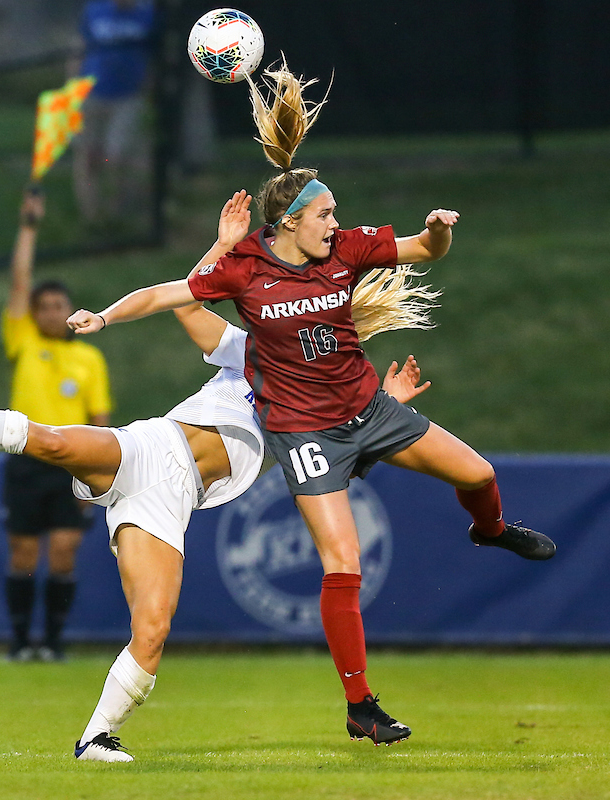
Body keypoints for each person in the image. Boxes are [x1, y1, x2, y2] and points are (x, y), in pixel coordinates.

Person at [66, 64, 556, 747]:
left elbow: (425, 250)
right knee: (342, 563)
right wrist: (104, 318)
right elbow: (165, 294)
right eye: (326, 213)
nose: (336, 221)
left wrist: (438, 229)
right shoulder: (244, 268)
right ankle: (362, 707)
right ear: (291, 223)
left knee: (477, 476)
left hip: (370, 410)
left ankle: (490, 530)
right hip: (304, 434)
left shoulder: (345, 249)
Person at [0, 192, 433, 762]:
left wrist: (387, 407)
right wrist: (225, 244)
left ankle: (93, 739)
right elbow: (186, 302)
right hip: (153, 448)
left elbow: (345, 459)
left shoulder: (331, 404)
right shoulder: (248, 350)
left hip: (172, 503)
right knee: (55, 441)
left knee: (152, 631)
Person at [1, 189, 112, 662]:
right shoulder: (23, 341)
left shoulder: (89, 357)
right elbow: (19, 282)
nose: (49, 312)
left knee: (64, 552)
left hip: (72, 463)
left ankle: (53, 641)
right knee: (24, 557)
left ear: (70, 311)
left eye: (57, 305)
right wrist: (28, 227)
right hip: (27, 459)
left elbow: (101, 418)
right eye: (42, 305)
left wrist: (105, 470)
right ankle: (22, 642)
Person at [71, 0, 156, 224]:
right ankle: (91, 216)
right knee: (88, 156)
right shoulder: (95, 10)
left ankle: (121, 209)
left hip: (129, 97)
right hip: (92, 93)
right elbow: (80, 48)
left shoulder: (148, 14)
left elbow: (154, 55)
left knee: (117, 154)